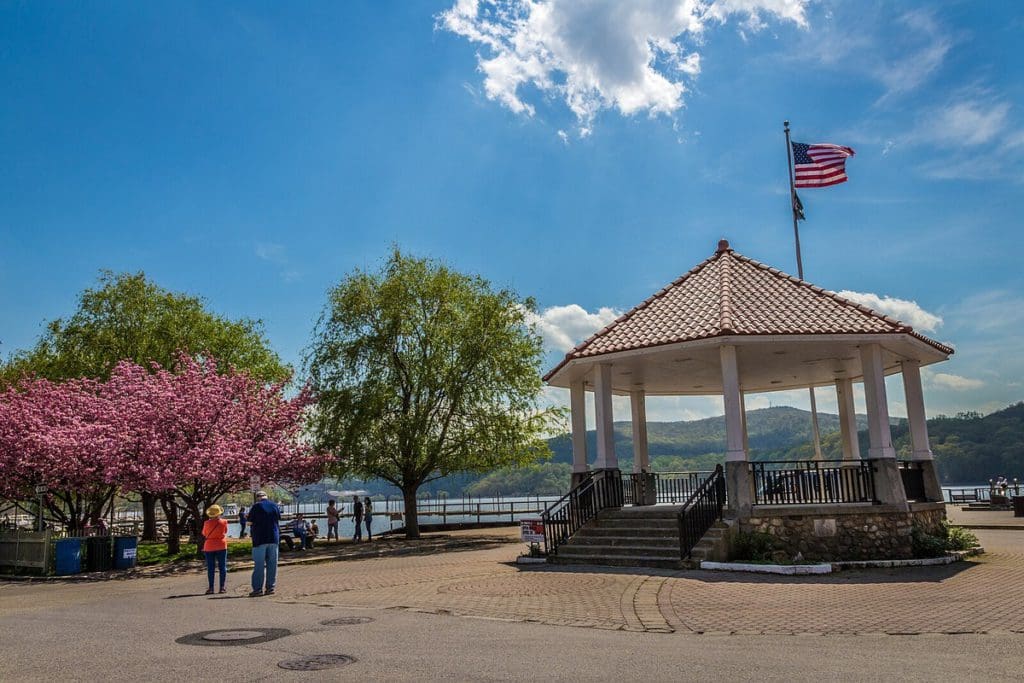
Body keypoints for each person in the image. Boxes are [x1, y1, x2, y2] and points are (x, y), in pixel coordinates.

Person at [248, 491, 281, 597]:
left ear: (258, 498)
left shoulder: (256, 507)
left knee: (259, 565)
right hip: (273, 538)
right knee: (272, 564)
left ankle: (257, 589)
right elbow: (278, 519)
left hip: (259, 539)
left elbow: (249, 522)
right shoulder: (274, 505)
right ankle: (270, 588)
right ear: (266, 497)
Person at [202, 504, 228, 595]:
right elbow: (225, 531)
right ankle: (222, 587)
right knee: (222, 567)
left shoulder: (206, 523)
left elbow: (204, 533)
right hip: (221, 545)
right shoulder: (224, 522)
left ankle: (211, 588)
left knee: (210, 567)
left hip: (209, 546)